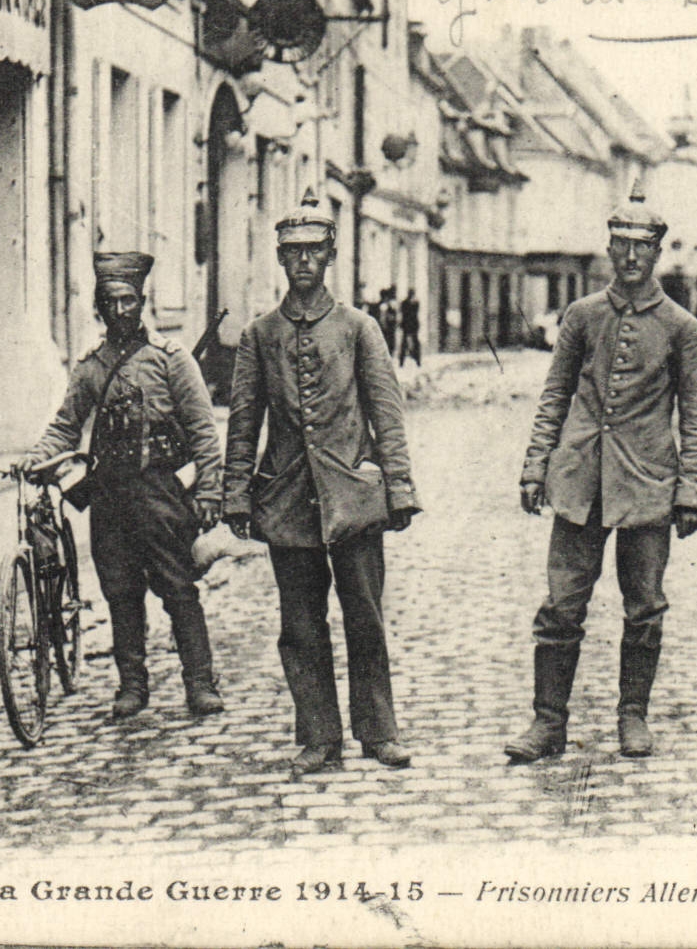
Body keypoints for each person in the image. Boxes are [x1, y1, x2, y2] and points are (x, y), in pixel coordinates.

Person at [506, 187, 697, 762]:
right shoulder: (582, 315)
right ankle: (548, 722)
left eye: (641, 247)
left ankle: (633, 715)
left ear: (658, 253)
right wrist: (535, 467)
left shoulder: (680, 327)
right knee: (561, 605)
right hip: (578, 482)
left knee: (644, 604)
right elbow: (555, 395)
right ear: (608, 247)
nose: (630, 257)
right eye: (620, 244)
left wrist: (692, 488)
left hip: (647, 483)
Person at [224, 193, 421, 777]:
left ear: (331, 254)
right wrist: (237, 493)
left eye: (313, 251)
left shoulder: (360, 329)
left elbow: (387, 412)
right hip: (288, 500)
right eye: (292, 253)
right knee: (300, 625)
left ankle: (379, 731)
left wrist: (400, 488)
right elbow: (244, 420)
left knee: (365, 616)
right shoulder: (260, 336)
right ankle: (317, 737)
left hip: (352, 497)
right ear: (280, 260)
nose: (303, 262)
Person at [22, 251, 225, 720]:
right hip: (110, 498)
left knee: (177, 588)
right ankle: (132, 685)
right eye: (110, 302)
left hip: (160, 494)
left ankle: (200, 682)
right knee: (120, 591)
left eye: (128, 301)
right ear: (99, 306)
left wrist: (210, 492)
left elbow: (202, 430)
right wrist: (38, 457)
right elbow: (65, 425)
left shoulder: (169, 359)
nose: (119, 311)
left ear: (143, 302)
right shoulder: (91, 366)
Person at [399, 289, 422, 367]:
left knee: (414, 343)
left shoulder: (415, 303)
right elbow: (403, 312)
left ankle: (417, 360)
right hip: (407, 325)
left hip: (412, 326)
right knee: (404, 344)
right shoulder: (405, 303)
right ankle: (402, 361)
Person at [378, 287, 399, 354]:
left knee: (390, 343)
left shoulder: (388, 305)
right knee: (388, 342)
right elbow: (382, 318)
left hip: (389, 327)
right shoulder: (384, 306)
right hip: (387, 328)